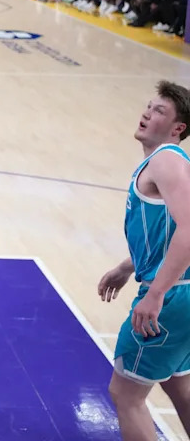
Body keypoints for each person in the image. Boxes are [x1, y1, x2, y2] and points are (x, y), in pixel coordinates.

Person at [97, 81, 190, 441]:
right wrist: (127, 266)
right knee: (179, 385)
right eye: (148, 107)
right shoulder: (169, 163)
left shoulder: (167, 159)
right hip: (183, 295)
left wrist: (155, 295)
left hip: (170, 297)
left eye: (159, 111)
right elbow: (166, 233)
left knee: (126, 395)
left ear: (177, 128)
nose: (147, 113)